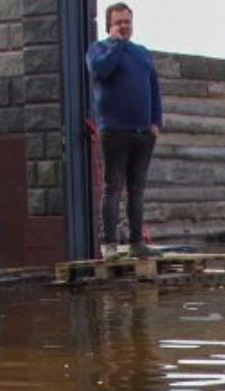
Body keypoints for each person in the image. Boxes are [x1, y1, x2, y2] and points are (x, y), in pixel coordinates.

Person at [86, 2, 162, 259]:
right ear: (109, 25)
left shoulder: (142, 53)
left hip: (142, 133)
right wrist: (117, 44)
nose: (123, 26)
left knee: (137, 189)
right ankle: (108, 245)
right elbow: (101, 71)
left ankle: (136, 242)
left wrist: (155, 123)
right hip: (113, 131)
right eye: (118, 22)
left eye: (127, 22)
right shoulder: (98, 50)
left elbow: (154, 88)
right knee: (112, 188)